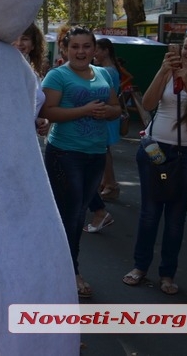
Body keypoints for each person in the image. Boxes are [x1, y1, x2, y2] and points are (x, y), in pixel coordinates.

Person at [122, 27, 187, 295]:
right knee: (149, 213)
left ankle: (167, 274)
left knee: (176, 217)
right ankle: (139, 267)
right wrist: (164, 71)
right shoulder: (167, 70)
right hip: (156, 149)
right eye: (186, 47)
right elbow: (148, 101)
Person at [40, 26, 121, 298]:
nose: (81, 51)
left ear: (94, 49)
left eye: (86, 46)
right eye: (75, 46)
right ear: (65, 49)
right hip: (65, 153)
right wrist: (86, 110)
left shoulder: (103, 74)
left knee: (79, 213)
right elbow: (48, 111)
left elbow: (117, 110)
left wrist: (107, 111)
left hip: (95, 153)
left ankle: (58, 266)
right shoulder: (57, 75)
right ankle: (70, 271)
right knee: (71, 216)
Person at [84, 38, 123, 233]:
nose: (95, 54)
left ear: (106, 51)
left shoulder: (106, 71)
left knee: (103, 150)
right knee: (104, 149)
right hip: (107, 112)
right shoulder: (112, 69)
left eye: (96, 50)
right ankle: (106, 183)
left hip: (103, 113)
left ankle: (110, 183)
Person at [13, 23, 49, 136]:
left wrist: (37, 120)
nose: (19, 43)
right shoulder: (0, 71)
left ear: (33, 44)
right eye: (14, 38)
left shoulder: (34, 73)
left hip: (28, 137)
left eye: (25, 39)